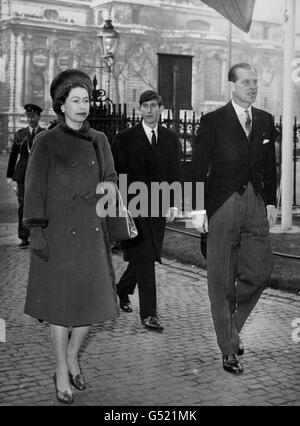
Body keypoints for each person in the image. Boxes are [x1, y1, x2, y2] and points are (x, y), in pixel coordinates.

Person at [23, 69, 119, 404]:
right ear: (61, 106)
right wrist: (35, 230)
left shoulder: (100, 140)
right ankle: (61, 370)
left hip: (91, 230)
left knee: (92, 306)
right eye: (75, 100)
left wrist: (108, 185)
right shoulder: (45, 141)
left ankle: (73, 355)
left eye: (86, 100)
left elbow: (110, 177)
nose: (83, 106)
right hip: (58, 232)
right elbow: (34, 189)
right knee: (61, 308)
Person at [191, 63, 277, 374]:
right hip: (222, 202)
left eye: (255, 82)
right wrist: (198, 210)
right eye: (245, 82)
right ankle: (228, 349)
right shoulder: (213, 121)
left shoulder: (266, 121)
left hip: (254, 201)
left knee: (260, 271)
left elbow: (270, 167)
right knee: (221, 279)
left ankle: (232, 328)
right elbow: (197, 168)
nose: (252, 87)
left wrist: (269, 202)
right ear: (232, 86)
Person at [112, 90, 181, 332]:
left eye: (153, 106)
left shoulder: (171, 139)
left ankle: (122, 288)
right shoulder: (125, 138)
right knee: (145, 257)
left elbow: (175, 173)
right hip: (134, 206)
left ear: (161, 109)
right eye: (145, 106)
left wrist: (173, 202)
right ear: (139, 109)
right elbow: (116, 174)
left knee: (146, 256)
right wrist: (119, 206)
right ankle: (149, 314)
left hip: (159, 207)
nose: (149, 110)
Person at [6, 104, 45, 247]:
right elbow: (13, 155)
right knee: (23, 205)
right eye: (28, 117)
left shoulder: (44, 134)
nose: (30, 119)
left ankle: (37, 234)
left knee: (38, 205)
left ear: (38, 117)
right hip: (22, 175)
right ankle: (23, 236)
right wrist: (9, 176)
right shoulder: (20, 134)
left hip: (39, 175)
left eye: (33, 116)